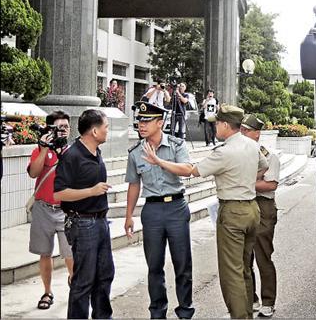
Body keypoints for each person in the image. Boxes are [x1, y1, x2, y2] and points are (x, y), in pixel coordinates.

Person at [158, 104, 268, 318]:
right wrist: (244, 180)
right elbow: (263, 166)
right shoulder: (252, 145)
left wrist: (158, 161)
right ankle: (246, 313)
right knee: (244, 267)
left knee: (231, 273)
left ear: (226, 125)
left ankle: (239, 316)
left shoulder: (224, 152)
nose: (215, 127)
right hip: (252, 209)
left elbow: (193, 171)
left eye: (217, 123)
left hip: (233, 212)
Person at [125, 101, 195, 319]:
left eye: (146, 121)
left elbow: (187, 170)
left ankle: (185, 311)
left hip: (176, 207)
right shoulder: (136, 152)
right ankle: (157, 312)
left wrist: (158, 161)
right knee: (154, 266)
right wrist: (128, 216)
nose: (141, 125)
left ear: (160, 122)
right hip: (152, 211)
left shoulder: (176, 145)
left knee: (182, 264)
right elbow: (134, 184)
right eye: (139, 121)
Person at [53, 109, 114, 319]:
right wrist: (92, 191)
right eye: (106, 127)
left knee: (105, 275)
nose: (108, 131)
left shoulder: (96, 151)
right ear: (95, 131)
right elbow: (59, 192)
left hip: (100, 221)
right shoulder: (72, 155)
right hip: (82, 223)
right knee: (84, 281)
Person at [27, 110, 74, 310]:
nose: (63, 131)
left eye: (66, 127)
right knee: (45, 253)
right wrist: (45, 149)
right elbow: (33, 173)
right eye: (58, 127)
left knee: (71, 254)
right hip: (43, 209)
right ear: (49, 129)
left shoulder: (74, 150)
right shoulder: (40, 150)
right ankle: (47, 292)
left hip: (66, 210)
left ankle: (76, 288)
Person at [240, 114, 280, 318]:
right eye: (241, 130)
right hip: (243, 205)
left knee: (263, 256)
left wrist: (243, 182)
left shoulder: (268, 155)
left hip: (263, 206)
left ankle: (268, 301)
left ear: (257, 134)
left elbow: (271, 184)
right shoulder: (238, 153)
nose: (243, 133)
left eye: (247, 130)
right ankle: (251, 299)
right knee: (244, 257)